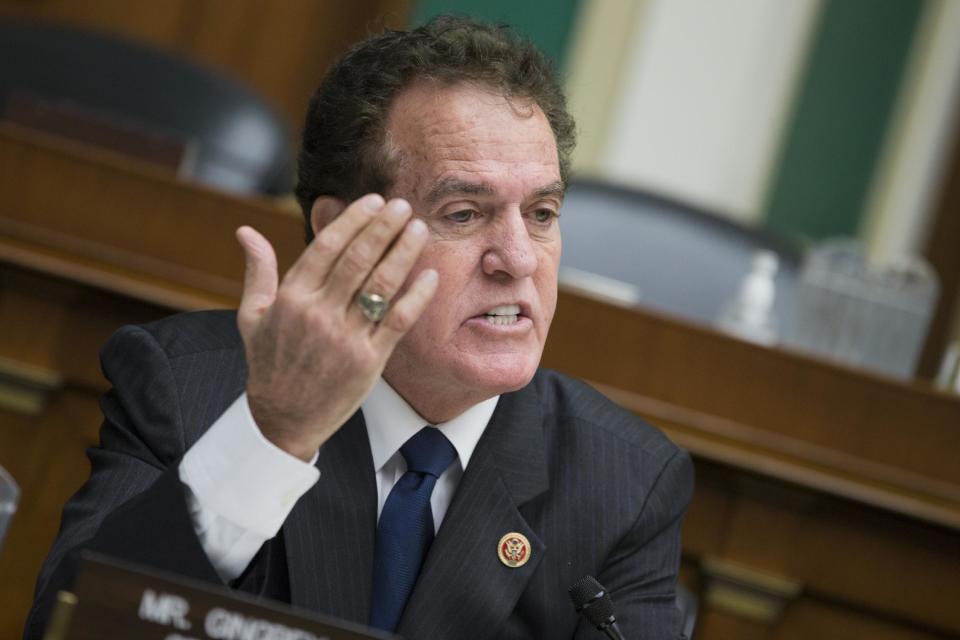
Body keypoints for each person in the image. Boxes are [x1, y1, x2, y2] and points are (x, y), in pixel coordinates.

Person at [25, 16, 693, 640]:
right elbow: (75, 622)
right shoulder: (189, 386)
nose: (518, 258)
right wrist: (275, 436)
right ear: (343, 234)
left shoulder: (624, 483)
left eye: (542, 213)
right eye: (463, 213)